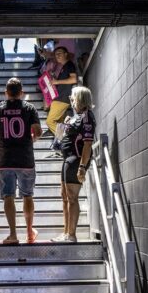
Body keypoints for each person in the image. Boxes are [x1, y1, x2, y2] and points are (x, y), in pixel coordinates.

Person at [0, 78, 43, 244]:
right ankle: (29, 233)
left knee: (8, 196)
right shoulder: (29, 108)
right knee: (28, 196)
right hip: (25, 159)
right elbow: (38, 132)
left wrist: (1, 138)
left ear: (5, 93)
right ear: (21, 93)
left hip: (5, 160)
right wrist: (30, 140)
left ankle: (13, 235)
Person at [53, 86, 96, 243]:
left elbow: (87, 144)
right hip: (68, 159)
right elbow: (63, 136)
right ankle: (66, 233)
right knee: (64, 196)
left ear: (81, 99)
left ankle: (71, 235)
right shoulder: (76, 116)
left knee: (72, 198)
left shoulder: (87, 117)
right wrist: (66, 124)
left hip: (76, 160)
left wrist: (82, 167)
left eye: (73, 98)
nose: (71, 101)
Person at [46, 47, 78, 139]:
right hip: (60, 97)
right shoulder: (64, 67)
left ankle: (66, 139)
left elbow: (74, 79)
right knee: (59, 123)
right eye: (56, 54)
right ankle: (63, 144)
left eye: (60, 53)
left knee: (50, 121)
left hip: (62, 98)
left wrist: (57, 82)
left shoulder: (69, 64)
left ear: (66, 54)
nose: (58, 55)